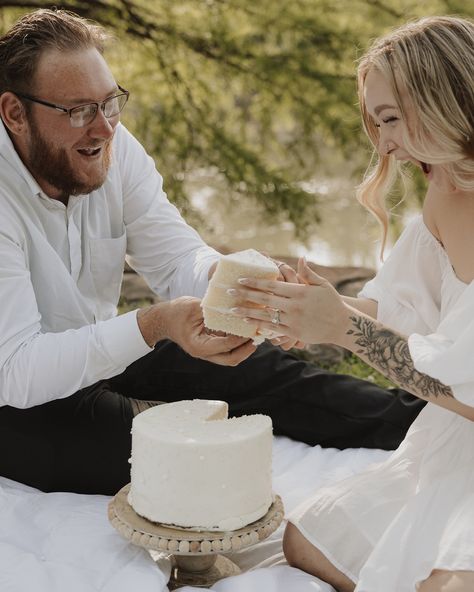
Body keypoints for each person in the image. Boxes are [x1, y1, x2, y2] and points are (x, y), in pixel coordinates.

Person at [0, 8, 424, 497]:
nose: (104, 129)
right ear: (15, 113)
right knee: (148, 458)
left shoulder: (110, 147)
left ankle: (427, 423)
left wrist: (238, 285)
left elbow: (176, 260)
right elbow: (17, 369)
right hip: (13, 387)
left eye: (110, 103)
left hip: (93, 347)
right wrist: (156, 324)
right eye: (78, 111)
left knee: (259, 369)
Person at [230, 15, 474, 592]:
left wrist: (341, 330)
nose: (383, 143)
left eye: (389, 118)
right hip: (456, 441)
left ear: (442, 99)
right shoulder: (445, 191)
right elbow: (398, 316)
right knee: (307, 538)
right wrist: (314, 309)